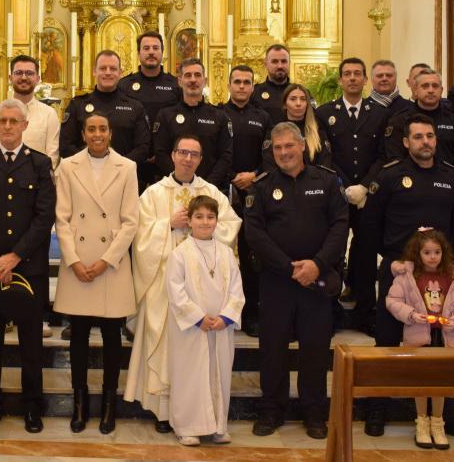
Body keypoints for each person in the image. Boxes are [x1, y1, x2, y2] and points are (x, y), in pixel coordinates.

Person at [361, 113, 454, 438]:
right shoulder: (390, 175)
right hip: (398, 271)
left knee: (439, 344)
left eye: (430, 136)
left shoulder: (452, 176)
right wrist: (389, 259)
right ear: (406, 142)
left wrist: (451, 263)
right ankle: (377, 408)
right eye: (419, 137)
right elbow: (370, 223)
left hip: (439, 274)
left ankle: (442, 413)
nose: (426, 142)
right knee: (386, 340)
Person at [124, 135, 241, 433]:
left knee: (197, 355)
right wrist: (168, 224)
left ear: (201, 159)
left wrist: (200, 227)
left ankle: (199, 413)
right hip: (163, 284)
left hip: (202, 290)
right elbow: (138, 234)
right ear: (173, 155)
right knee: (164, 347)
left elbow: (231, 225)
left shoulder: (211, 192)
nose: (188, 159)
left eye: (194, 154)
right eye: (183, 153)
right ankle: (164, 411)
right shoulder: (153, 194)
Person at [246, 122, 348, 440]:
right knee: (272, 349)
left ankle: (314, 412)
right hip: (277, 281)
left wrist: (317, 265)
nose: (284, 152)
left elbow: (340, 226)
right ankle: (271, 410)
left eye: (289, 145)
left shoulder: (327, 181)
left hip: (316, 281)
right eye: (277, 148)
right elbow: (254, 234)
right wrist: (289, 268)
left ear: (302, 145)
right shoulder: (262, 186)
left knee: (314, 350)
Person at [0, 100, 57, 433]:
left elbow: (44, 216)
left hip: (28, 268)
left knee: (31, 342)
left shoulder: (39, 163)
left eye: (13, 121)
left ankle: (32, 407)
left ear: (24, 125)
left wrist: (14, 257)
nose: (7, 126)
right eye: (2, 121)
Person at [53, 112, 139, 434]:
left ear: (110, 133)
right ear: (84, 133)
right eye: (91, 129)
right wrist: (73, 259)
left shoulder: (127, 167)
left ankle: (108, 404)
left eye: (103, 129)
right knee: (77, 337)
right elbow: (62, 218)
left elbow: (131, 221)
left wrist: (107, 259)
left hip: (110, 264)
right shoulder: (68, 166)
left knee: (112, 338)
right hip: (78, 262)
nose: (97, 134)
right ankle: (79, 403)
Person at [315, 58, 390, 335]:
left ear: (365, 80)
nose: (352, 78)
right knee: (333, 252)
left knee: (367, 254)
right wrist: (344, 186)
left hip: (369, 197)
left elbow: (384, 155)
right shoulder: (325, 113)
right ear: (340, 80)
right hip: (337, 195)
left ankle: (365, 312)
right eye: (347, 74)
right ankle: (330, 311)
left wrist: (366, 186)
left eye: (358, 74)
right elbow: (325, 155)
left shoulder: (380, 113)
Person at [166, 195, 244, 447]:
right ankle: (186, 426)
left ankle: (219, 425)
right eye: (199, 217)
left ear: (217, 221)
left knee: (219, 373)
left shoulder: (226, 253)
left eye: (210, 217)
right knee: (190, 374)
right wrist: (197, 318)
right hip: (191, 329)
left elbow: (236, 290)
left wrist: (226, 317)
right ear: (189, 221)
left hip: (220, 327)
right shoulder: (179, 254)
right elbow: (175, 291)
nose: (205, 222)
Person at [385, 228, 454, 451]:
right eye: (427, 252)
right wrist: (411, 315)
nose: (432, 257)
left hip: (443, 338)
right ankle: (422, 422)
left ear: (444, 252)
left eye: (437, 252)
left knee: (440, 382)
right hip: (418, 337)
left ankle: (438, 423)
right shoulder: (407, 277)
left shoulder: (452, 277)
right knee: (421, 381)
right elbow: (392, 300)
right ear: (417, 253)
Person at [222, 64, 270, 337]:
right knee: (224, 252)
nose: (241, 86)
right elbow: (215, 152)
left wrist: (253, 175)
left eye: (246, 82)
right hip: (224, 189)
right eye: (237, 81)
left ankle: (252, 312)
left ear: (253, 86)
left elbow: (270, 154)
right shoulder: (218, 114)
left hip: (255, 190)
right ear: (228, 85)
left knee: (252, 253)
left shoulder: (263, 117)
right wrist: (231, 177)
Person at [153, 59, 234, 190]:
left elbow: (225, 156)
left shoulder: (220, 116)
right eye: (188, 75)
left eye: (197, 75)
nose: (193, 80)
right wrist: (180, 180)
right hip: (174, 187)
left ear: (205, 81)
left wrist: (207, 186)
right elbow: (160, 153)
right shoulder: (165, 115)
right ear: (180, 81)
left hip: (210, 189)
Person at [61, 50, 149, 164]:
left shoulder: (135, 107)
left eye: (113, 69)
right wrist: (91, 164)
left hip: (123, 172)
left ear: (120, 73)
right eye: (103, 68)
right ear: (94, 71)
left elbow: (143, 147)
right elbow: (65, 145)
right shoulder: (77, 105)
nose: (108, 72)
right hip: (84, 171)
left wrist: (120, 166)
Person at [118, 31, 181, 189]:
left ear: (162, 52)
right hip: (132, 162)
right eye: (146, 48)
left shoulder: (175, 85)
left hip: (167, 162)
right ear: (138, 53)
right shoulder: (124, 85)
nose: (151, 52)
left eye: (155, 48)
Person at [0, 55, 59, 169]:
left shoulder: (49, 114)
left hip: (36, 178)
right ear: (10, 78)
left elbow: (52, 158)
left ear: (38, 79)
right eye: (18, 73)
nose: (24, 77)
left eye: (29, 73)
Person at [384, 70, 454, 165]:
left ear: (441, 90)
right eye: (425, 86)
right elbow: (395, 158)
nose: (431, 90)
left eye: (435, 86)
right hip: (409, 174)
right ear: (415, 90)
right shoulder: (400, 120)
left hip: (448, 173)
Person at [262, 83, 331, 172]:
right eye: (293, 99)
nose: (298, 104)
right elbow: (269, 166)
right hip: (281, 180)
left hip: (314, 179)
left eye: (303, 99)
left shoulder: (317, 132)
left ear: (307, 104)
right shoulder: (275, 132)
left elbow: (325, 166)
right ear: (285, 104)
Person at [250, 44, 291, 120]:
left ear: (289, 63)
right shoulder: (253, 93)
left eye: (284, 61)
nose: (280, 66)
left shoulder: (300, 93)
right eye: (274, 61)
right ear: (266, 64)